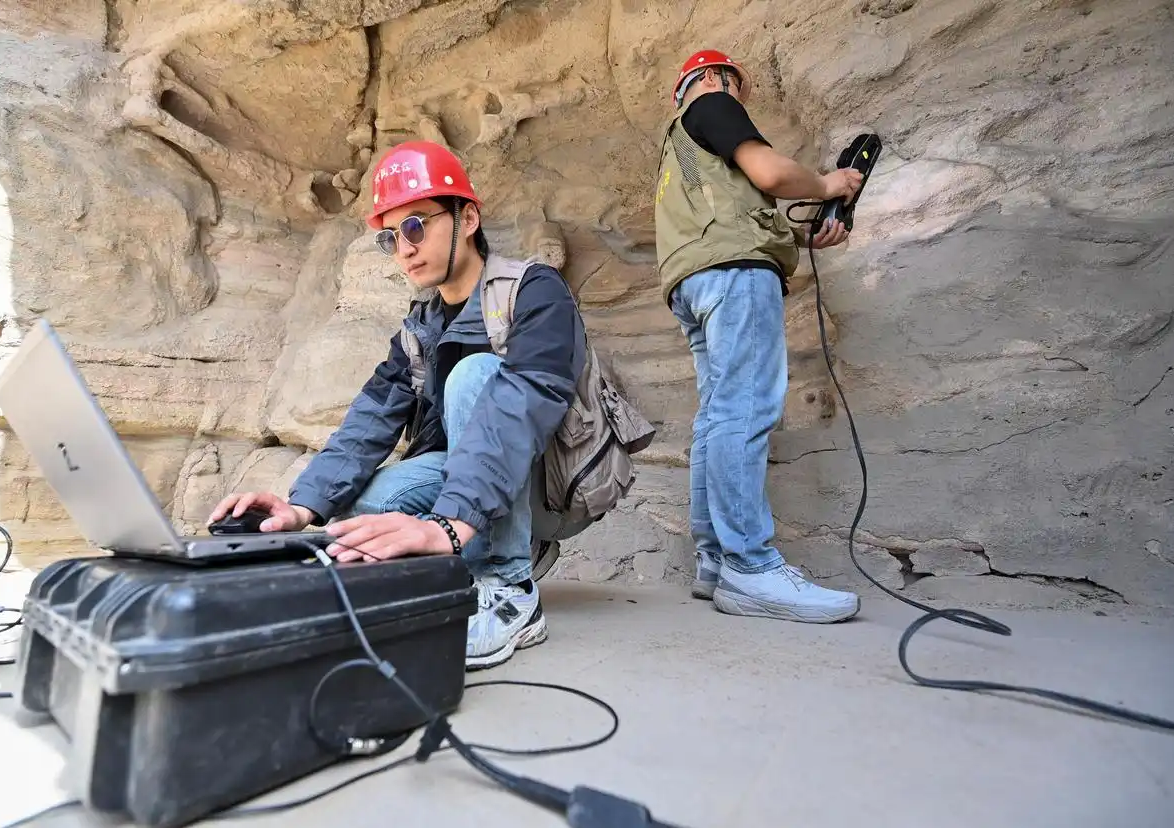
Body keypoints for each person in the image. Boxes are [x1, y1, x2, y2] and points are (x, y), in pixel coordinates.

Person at [209, 140, 587, 669]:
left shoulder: (532, 290)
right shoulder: (420, 328)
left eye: (416, 226)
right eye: (391, 237)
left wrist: (449, 525)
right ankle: (481, 545)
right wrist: (302, 507)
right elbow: (369, 421)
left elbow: (523, 403)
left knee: (475, 377)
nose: (404, 248)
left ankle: (510, 586)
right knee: (368, 509)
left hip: (550, 478)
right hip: (477, 481)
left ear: (468, 217)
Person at [653, 49, 865, 623]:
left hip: (694, 281)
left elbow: (729, 218)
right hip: (733, 277)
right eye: (734, 89)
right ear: (714, 78)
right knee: (744, 409)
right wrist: (827, 182)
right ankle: (751, 566)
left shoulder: (676, 156)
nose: (737, 101)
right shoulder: (713, 102)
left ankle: (716, 561)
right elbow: (770, 174)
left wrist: (799, 243)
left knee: (717, 414)